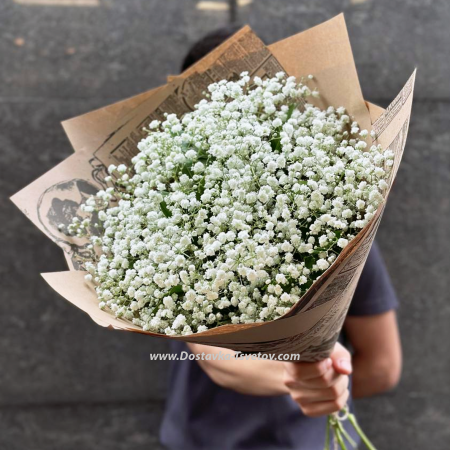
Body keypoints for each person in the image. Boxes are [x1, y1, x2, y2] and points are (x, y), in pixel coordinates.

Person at [160, 27, 402, 450]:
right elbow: (213, 356)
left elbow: (382, 366)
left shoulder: (338, 223)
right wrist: (302, 377)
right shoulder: (178, 231)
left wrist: (327, 392)